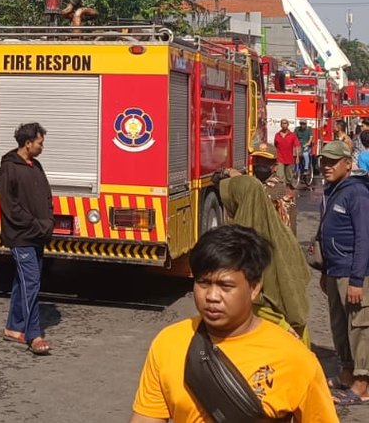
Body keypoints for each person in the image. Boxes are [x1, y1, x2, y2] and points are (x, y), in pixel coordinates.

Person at [130, 225, 338, 422]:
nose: (212, 296)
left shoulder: (295, 358)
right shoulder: (169, 343)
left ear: (254, 288)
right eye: (203, 283)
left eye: (225, 286)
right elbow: (146, 417)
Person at [218, 174, 310, 339]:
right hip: (298, 333)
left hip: (269, 334)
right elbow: (302, 275)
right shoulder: (284, 234)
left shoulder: (242, 246)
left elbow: (250, 297)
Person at [319, 139, 369, 405]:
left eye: (332, 162)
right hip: (336, 271)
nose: (326, 167)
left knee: (359, 328)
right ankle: (348, 374)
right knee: (340, 327)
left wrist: (357, 280)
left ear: (348, 164)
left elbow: (364, 238)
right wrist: (325, 271)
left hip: (354, 273)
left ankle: (363, 385)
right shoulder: (333, 189)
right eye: (323, 161)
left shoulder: (357, 193)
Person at [0, 122, 54, 355]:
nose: (43, 146)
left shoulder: (35, 165)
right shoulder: (9, 167)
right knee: (31, 282)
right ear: (27, 143)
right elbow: (10, 206)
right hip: (21, 236)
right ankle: (33, 334)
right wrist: (35, 224)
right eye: (40, 142)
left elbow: (46, 196)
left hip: (38, 235)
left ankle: (14, 327)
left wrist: (47, 221)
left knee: (23, 282)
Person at [252, 143, 295, 229]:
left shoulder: (281, 192)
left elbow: (286, 227)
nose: (261, 165)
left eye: (266, 162)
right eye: (258, 161)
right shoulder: (251, 184)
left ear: (275, 167)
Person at [273, 118, 299, 195]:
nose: (284, 125)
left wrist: (297, 157)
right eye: (282, 123)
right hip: (280, 158)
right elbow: (275, 145)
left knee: (289, 177)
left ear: (288, 125)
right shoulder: (277, 135)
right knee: (280, 176)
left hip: (289, 158)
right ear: (281, 125)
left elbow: (296, 146)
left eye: (285, 123)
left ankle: (290, 191)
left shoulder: (292, 135)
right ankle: (282, 193)